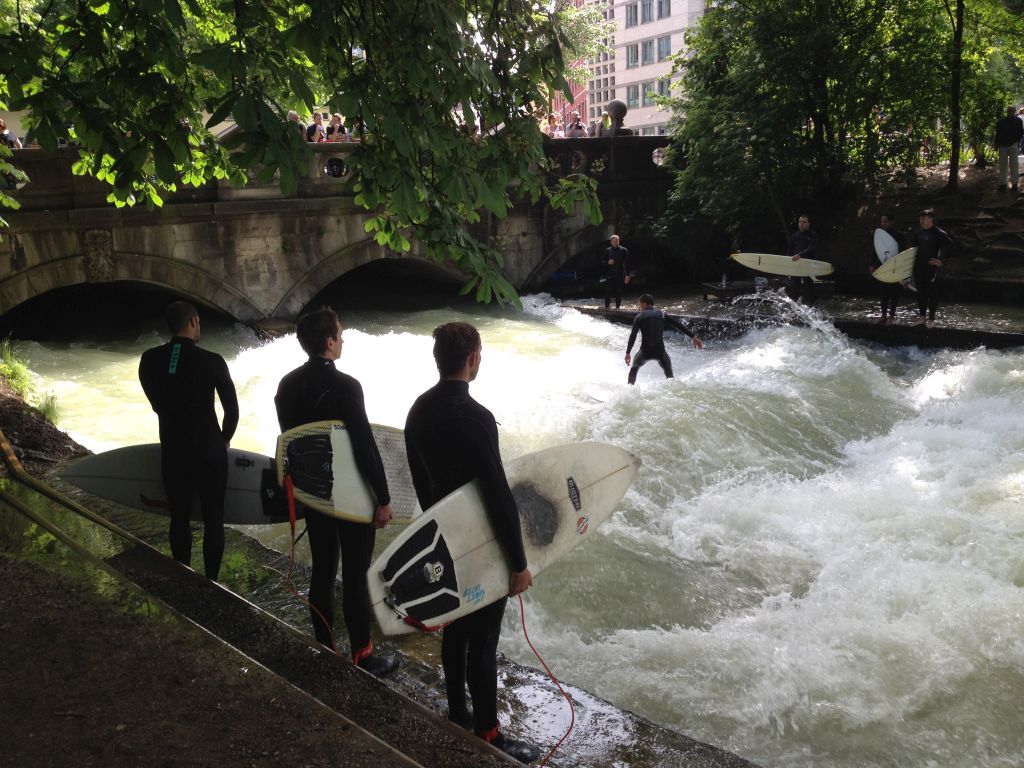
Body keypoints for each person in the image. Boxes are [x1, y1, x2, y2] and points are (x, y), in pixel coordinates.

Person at [404, 322, 540, 764]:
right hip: (483, 543)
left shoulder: (417, 412)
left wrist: (438, 528)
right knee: (483, 641)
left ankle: (458, 710)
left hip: (443, 537)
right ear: (473, 358)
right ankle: (488, 732)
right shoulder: (477, 418)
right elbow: (498, 494)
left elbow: (421, 484)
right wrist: (518, 562)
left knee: (456, 627)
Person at [274, 307, 399, 677]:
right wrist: (383, 497)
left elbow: (292, 442)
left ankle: (326, 647)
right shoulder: (347, 387)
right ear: (329, 342)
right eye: (340, 334)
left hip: (314, 493)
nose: (343, 339)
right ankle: (363, 654)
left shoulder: (286, 386)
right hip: (349, 494)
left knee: (323, 571)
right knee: (356, 574)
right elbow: (363, 446)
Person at [138, 301, 239, 582]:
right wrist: (224, 440)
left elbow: (158, 404)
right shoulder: (212, 360)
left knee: (179, 517)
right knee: (213, 519)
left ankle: (182, 576)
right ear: (194, 321)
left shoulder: (149, 359)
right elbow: (232, 411)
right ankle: (211, 583)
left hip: (174, 450)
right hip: (210, 452)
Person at [624, 294, 703, 384]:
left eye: (640, 305)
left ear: (644, 304)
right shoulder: (662, 314)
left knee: (634, 369)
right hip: (660, 352)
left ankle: (630, 389)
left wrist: (628, 353)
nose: (639, 307)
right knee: (669, 374)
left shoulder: (639, 317)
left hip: (645, 352)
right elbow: (678, 325)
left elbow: (633, 336)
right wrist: (693, 337)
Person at [910, 209, 953, 328]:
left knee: (932, 293)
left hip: (932, 269)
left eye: (924, 218)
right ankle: (922, 317)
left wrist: (942, 261)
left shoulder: (939, 233)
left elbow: (951, 248)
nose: (922, 220)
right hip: (918, 267)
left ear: (931, 219)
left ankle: (932, 318)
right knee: (920, 293)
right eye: (920, 218)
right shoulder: (918, 234)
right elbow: (912, 252)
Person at [869, 213, 906, 324]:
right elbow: (875, 250)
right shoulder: (880, 235)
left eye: (885, 221)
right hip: (882, 268)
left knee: (894, 292)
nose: (883, 224)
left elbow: (903, 252)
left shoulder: (898, 235)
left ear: (891, 222)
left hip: (894, 268)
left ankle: (892, 316)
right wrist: (872, 264)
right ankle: (883, 315)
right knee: (883, 292)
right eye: (882, 222)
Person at [786, 214, 820, 306]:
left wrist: (800, 255)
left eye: (804, 222)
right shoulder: (794, 236)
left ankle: (811, 308)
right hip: (796, 265)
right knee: (794, 287)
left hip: (808, 265)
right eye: (800, 222)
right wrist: (787, 267)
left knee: (808, 287)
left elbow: (811, 248)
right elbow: (790, 251)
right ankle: (794, 308)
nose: (801, 224)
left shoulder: (813, 235)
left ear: (809, 223)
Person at [994, 106, 1023, 193]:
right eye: (1009, 111)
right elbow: (998, 134)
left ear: (1014, 112)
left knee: (1014, 164)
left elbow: (1021, 132)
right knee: (1002, 165)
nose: (1011, 112)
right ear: (1007, 112)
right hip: (1002, 145)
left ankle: (1014, 184)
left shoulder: (1018, 121)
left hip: (1013, 144)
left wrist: (1017, 142)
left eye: (1012, 111)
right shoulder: (1000, 122)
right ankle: (1003, 184)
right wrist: (996, 144)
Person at [601, 234, 631, 309]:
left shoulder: (623, 250)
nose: (615, 243)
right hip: (609, 275)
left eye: (617, 241)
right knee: (608, 293)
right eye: (614, 241)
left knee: (619, 293)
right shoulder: (607, 251)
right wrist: (607, 262)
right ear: (611, 242)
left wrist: (627, 275)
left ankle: (618, 308)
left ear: (619, 241)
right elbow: (601, 262)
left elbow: (627, 263)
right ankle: (607, 308)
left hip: (620, 275)